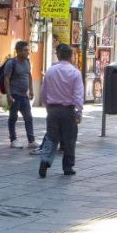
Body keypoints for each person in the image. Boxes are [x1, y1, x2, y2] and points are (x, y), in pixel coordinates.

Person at [37, 43, 84, 177]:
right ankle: (68, 167)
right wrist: (79, 111)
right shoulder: (75, 72)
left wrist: (48, 106)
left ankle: (45, 160)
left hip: (53, 109)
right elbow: (78, 94)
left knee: (51, 137)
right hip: (68, 110)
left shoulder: (50, 71)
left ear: (58, 56)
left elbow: (44, 91)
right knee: (70, 139)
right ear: (71, 56)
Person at [1, 41, 37, 151]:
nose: (28, 52)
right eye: (25, 50)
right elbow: (6, 79)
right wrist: (9, 95)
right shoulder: (11, 63)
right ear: (19, 51)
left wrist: (31, 89)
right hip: (14, 94)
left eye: (28, 50)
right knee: (13, 117)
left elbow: (29, 75)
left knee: (28, 117)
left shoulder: (27, 61)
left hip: (24, 95)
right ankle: (13, 140)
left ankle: (31, 141)